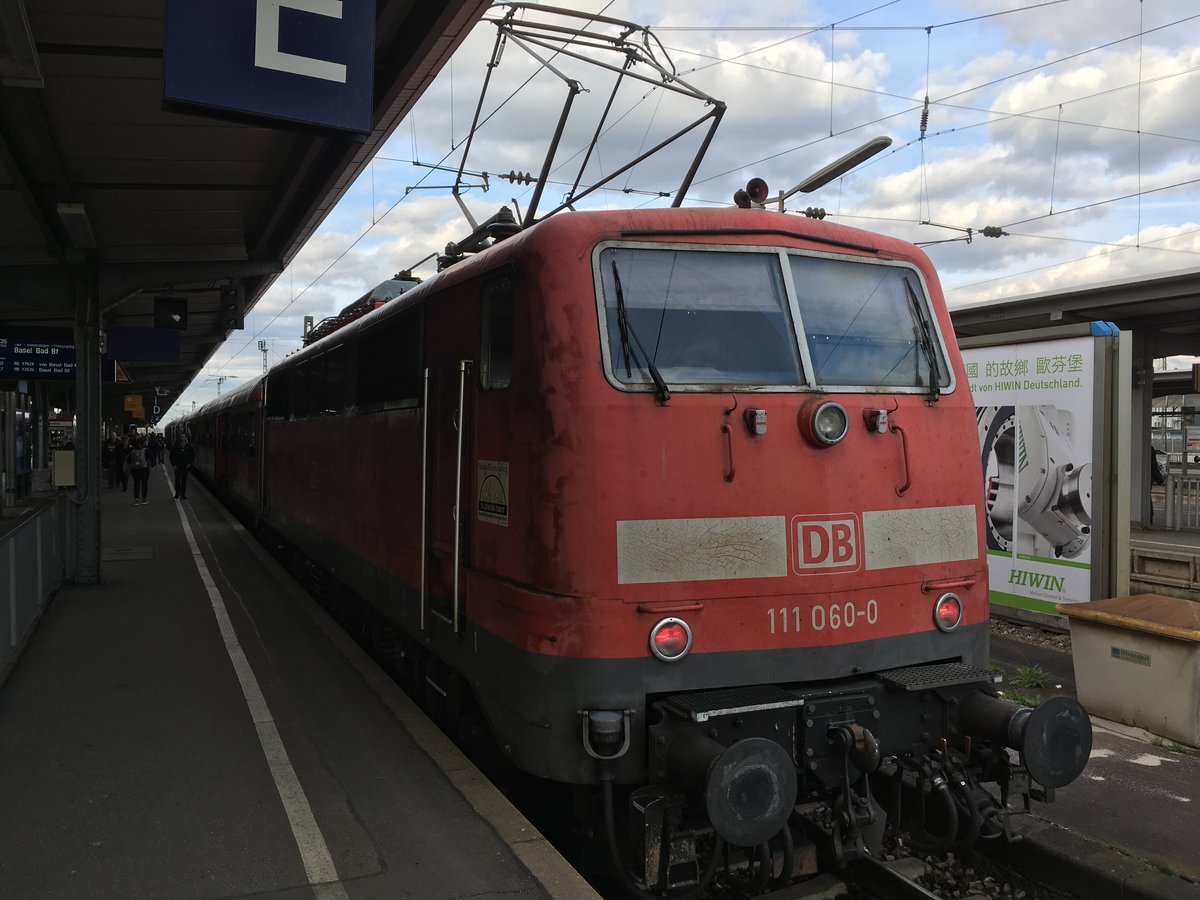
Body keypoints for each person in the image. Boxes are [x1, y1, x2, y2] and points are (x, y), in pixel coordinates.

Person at [170, 435, 194, 500]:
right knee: (177, 480)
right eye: (182, 436)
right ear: (180, 438)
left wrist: (190, 463)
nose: (183, 438)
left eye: (184, 436)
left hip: (185, 465)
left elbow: (192, 455)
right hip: (177, 466)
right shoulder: (175, 445)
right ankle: (177, 493)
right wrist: (174, 464)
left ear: (186, 438)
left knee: (184, 481)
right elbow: (172, 455)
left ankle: (183, 495)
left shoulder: (189, 446)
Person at [129, 436, 150, 506]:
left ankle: (136, 500)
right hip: (144, 469)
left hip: (135, 469)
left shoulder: (132, 451)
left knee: (136, 484)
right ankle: (144, 499)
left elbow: (129, 460)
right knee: (144, 484)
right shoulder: (146, 450)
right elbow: (151, 457)